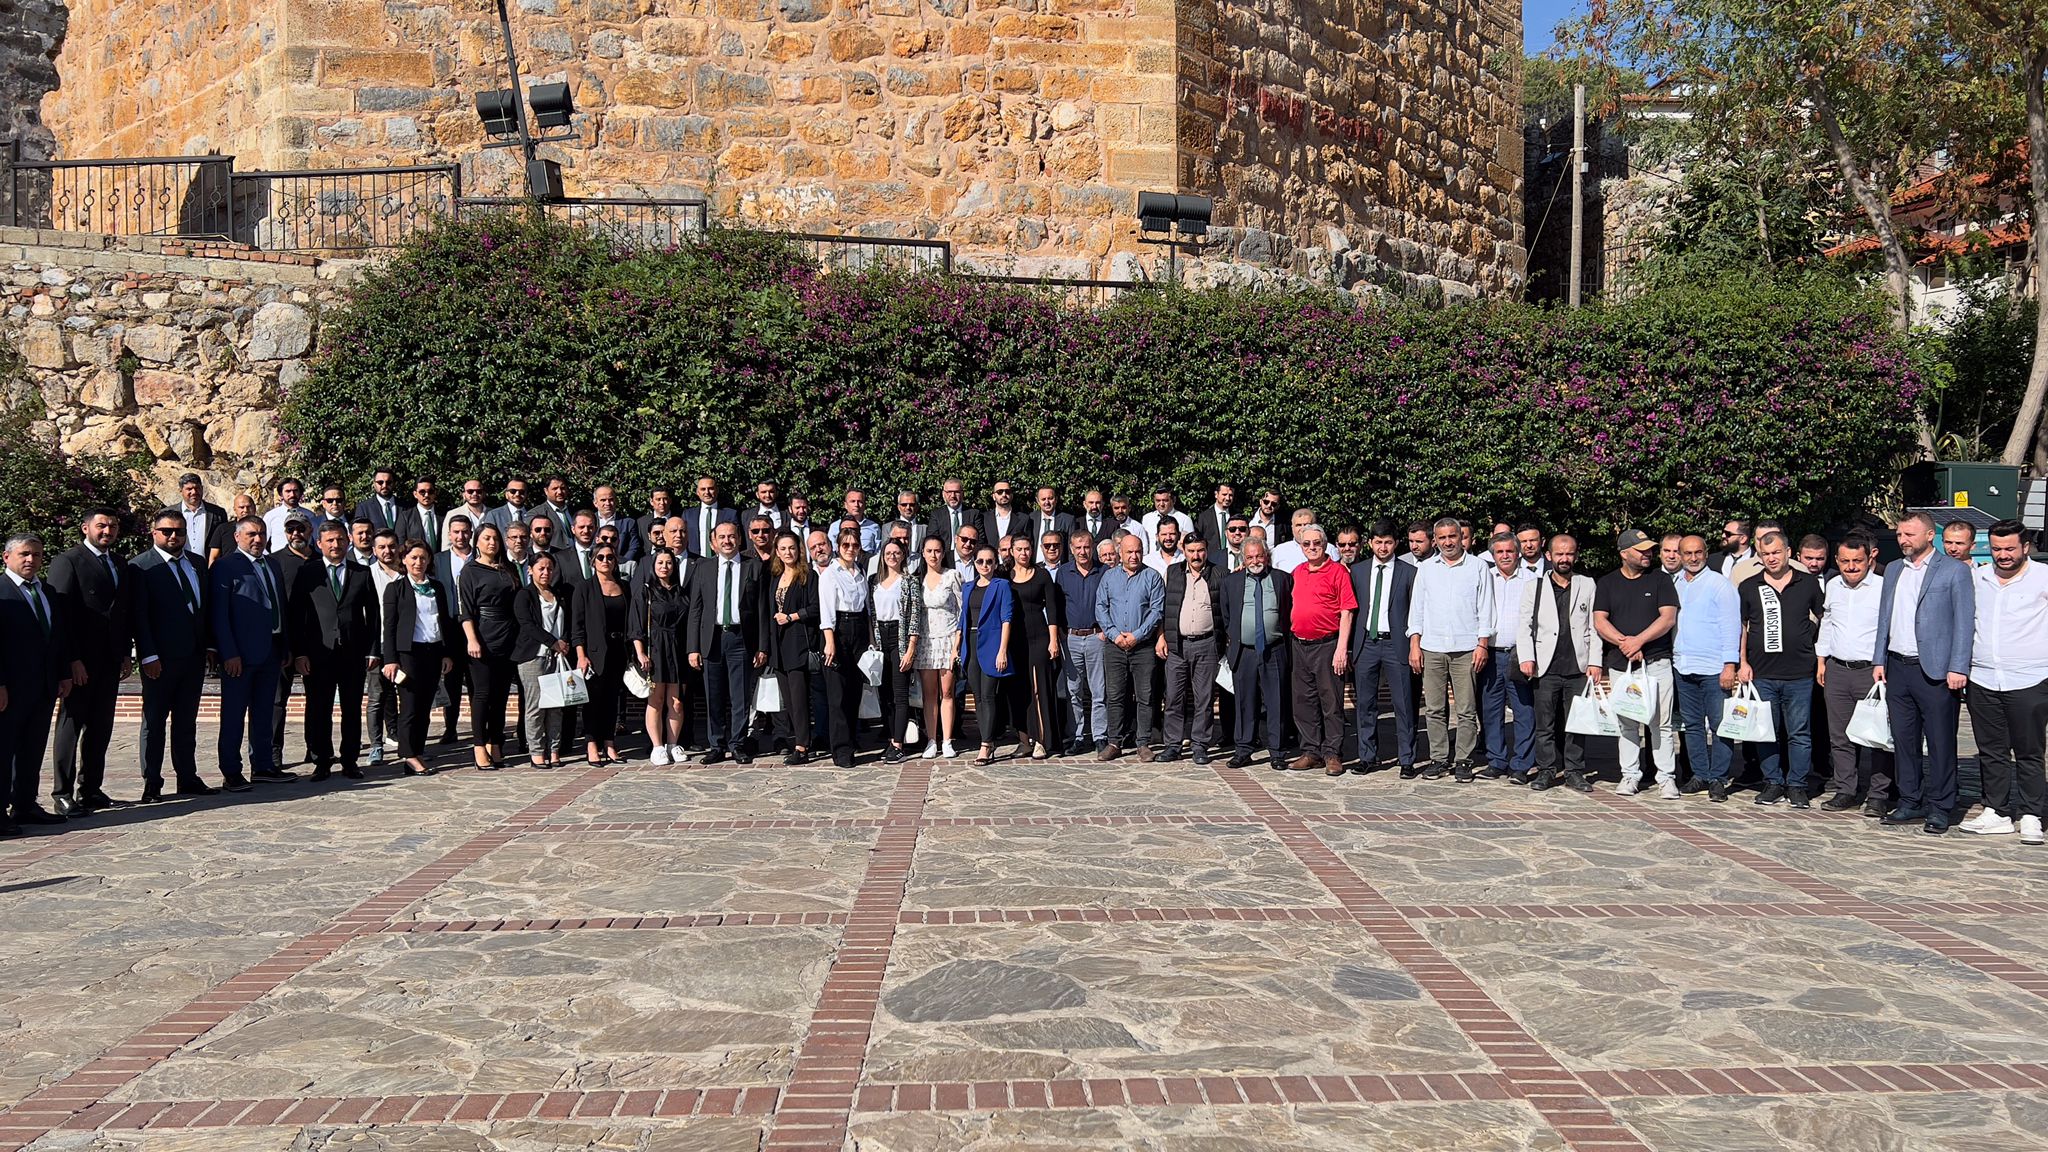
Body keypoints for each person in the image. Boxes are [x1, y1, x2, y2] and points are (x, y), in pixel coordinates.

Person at [1874, 511, 1977, 834]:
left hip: (1935, 670)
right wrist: (1879, 659)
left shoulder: (1954, 571)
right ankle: (1909, 800)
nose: (1903, 540)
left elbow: (1964, 621)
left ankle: (1941, 806)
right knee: (1904, 740)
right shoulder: (1894, 569)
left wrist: (1958, 666)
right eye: (1900, 534)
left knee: (1940, 741)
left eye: (1910, 534)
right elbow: (1885, 617)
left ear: (1930, 535)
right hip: (1897, 666)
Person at [1960, 519, 2048, 843]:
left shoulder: (2043, 577)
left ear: (2025, 546)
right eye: (1997, 549)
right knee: (1991, 750)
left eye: (2010, 548)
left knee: (2029, 751)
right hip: (1983, 678)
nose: (2003, 555)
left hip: (2030, 679)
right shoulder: (1979, 578)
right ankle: (1996, 811)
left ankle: (2031, 814)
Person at [47, 507, 133, 815]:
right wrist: (71, 659)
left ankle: (91, 789)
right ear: (86, 528)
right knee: (71, 726)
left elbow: (122, 613)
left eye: (112, 526)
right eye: (101, 526)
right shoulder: (68, 561)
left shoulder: (120, 563)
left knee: (101, 727)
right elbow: (61, 616)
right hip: (81, 661)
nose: (107, 531)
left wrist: (125, 653)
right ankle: (62, 792)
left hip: (109, 660)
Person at [1737, 531, 1824, 808]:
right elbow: (1742, 627)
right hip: (1762, 673)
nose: (1771, 558)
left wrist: (1816, 653)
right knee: (1766, 732)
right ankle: (1773, 782)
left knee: (1800, 733)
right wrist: (1742, 662)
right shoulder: (1749, 586)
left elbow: (1824, 618)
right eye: (1766, 554)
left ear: (1788, 552)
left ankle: (1797, 785)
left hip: (1800, 673)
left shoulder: (1808, 583)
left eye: (1776, 552)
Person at [132, 509, 213, 800]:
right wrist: (148, 655)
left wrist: (210, 646)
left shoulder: (197, 563)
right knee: (154, 722)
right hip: (160, 659)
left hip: (193, 656)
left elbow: (205, 609)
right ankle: (152, 782)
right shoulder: (141, 567)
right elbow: (139, 616)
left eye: (179, 531)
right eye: (167, 531)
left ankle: (187, 777)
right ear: (154, 533)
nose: (173, 536)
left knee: (186, 721)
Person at [290, 521, 379, 782]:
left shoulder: (361, 572)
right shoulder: (308, 572)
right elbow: (296, 614)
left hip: (353, 652)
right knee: (319, 709)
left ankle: (350, 760)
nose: (335, 545)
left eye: (340, 539)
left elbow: (374, 616)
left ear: (348, 541)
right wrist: (300, 653)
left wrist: (373, 650)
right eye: (329, 540)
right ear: (319, 544)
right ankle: (322, 761)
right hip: (319, 653)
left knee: (351, 709)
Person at [1595, 529, 1681, 798]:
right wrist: (1625, 643)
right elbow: (1599, 620)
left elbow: (1668, 618)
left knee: (1661, 723)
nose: (1648, 554)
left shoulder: (1661, 580)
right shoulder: (1607, 583)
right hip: (1621, 665)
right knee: (1627, 722)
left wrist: (1639, 641)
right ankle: (1630, 775)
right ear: (1624, 553)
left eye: (1650, 549)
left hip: (1657, 662)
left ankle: (1666, 778)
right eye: (1641, 550)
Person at [1407, 517, 1493, 781]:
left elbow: (1486, 608)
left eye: (1452, 536)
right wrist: (1414, 645)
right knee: (1434, 709)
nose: (1447, 542)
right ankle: (1439, 758)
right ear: (1435, 540)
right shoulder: (1426, 569)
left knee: (1466, 709)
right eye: (1442, 537)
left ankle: (1463, 760)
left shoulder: (1478, 567)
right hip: (1432, 647)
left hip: (1466, 648)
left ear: (1461, 537)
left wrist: (1482, 644)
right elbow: (1417, 610)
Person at [1, 534, 77, 831]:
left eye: (36, 554)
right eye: (24, 554)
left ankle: (25, 805)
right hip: (10, 688)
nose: (31, 560)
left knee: (31, 749)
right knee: (4, 750)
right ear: (7, 557)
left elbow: (57, 636)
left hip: (42, 686)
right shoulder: (2, 591)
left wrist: (63, 673)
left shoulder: (45, 591)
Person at [1517, 534, 1600, 792]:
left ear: (1576, 555)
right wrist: (1527, 657)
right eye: (1559, 554)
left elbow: (1595, 626)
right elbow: (1524, 625)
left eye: (1569, 554)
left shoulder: (1587, 584)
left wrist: (1595, 661)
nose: (1565, 559)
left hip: (1578, 666)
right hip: (1545, 666)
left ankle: (1574, 771)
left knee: (1576, 723)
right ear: (1549, 555)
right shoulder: (1535, 587)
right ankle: (1546, 770)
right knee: (1545, 724)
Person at [1815, 534, 1891, 815]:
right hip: (1837, 669)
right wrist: (1821, 661)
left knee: (1877, 736)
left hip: (1871, 671)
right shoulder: (1833, 586)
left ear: (1870, 559)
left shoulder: (1883, 587)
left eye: (1857, 561)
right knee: (1840, 736)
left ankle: (1878, 794)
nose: (1851, 567)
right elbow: (1828, 624)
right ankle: (1846, 789)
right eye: (1845, 561)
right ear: (1837, 560)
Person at [212, 516, 289, 790]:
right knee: (234, 715)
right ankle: (231, 770)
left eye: (262, 534)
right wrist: (228, 653)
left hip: (271, 650)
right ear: (237, 537)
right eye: (251, 534)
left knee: (264, 712)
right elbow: (219, 615)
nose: (258, 539)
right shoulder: (225, 567)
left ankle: (263, 765)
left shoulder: (273, 564)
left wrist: (284, 646)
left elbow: (280, 605)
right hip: (240, 656)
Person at [1672, 534, 1741, 802]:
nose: (1693, 558)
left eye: (1698, 552)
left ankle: (1718, 778)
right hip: (1683, 665)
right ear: (1680, 555)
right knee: (1692, 725)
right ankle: (1700, 774)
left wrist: (1729, 665)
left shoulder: (1720, 584)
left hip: (1714, 667)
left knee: (1719, 725)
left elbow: (1731, 626)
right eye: (1687, 553)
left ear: (1706, 553)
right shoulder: (1675, 584)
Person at [688, 521, 764, 765]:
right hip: (712, 639)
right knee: (714, 696)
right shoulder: (703, 568)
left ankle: (738, 744)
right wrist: (693, 647)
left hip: (741, 638)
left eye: (731, 536)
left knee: (740, 697)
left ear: (739, 540)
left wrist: (762, 645)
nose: (727, 541)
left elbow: (762, 610)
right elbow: (696, 609)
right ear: (713, 543)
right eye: (721, 537)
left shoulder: (754, 567)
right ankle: (716, 745)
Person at [1348, 519, 1417, 776]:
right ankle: (1367, 756)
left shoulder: (1409, 573)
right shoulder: (1358, 571)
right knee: (1365, 704)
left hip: (1396, 644)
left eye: (1388, 542)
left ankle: (1407, 759)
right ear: (1370, 543)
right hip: (1366, 642)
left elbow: (1415, 611)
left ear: (1396, 543)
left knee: (1403, 704)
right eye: (1378, 542)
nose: (1383, 547)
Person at [381, 541, 455, 777]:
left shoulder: (437, 587)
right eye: (413, 558)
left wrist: (446, 653)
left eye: (423, 558)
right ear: (404, 560)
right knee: (410, 706)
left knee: (425, 707)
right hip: (408, 653)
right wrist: (390, 659)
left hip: (433, 651)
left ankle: (418, 750)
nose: (418, 562)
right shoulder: (396, 589)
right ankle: (408, 754)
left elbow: (444, 621)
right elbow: (389, 627)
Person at [1289, 524, 1356, 774]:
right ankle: (1311, 751)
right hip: (1299, 645)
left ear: (1325, 545)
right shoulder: (1297, 572)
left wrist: (1341, 649)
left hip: (1327, 645)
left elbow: (1347, 612)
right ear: (1301, 547)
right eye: (1306, 544)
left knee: (1331, 702)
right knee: (1303, 702)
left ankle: (1332, 753)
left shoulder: (1338, 572)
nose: (1312, 547)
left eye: (1317, 543)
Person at [456, 523, 521, 771]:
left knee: (501, 695)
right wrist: (471, 639)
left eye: (495, 538)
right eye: (486, 538)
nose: (492, 542)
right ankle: (479, 746)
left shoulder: (509, 568)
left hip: (508, 636)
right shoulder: (470, 571)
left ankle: (496, 742)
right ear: (477, 542)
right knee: (482, 695)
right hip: (483, 635)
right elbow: (466, 609)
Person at [1222, 536, 1291, 768]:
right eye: (1250, 557)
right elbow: (1227, 616)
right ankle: (1243, 749)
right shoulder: (1231, 582)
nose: (1255, 561)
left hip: (1275, 649)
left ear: (1267, 556)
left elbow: (1288, 611)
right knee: (1244, 702)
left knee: (1276, 702)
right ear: (1243, 558)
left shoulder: (1282, 579)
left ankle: (1277, 751)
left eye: (1259, 556)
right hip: (1245, 651)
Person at [1095, 533, 1164, 761]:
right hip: (1115, 647)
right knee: (1115, 695)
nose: (1134, 556)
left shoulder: (1152, 577)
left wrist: (1137, 635)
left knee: (1145, 695)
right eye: (1129, 552)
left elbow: (1157, 611)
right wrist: (1115, 635)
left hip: (1143, 646)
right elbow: (1101, 608)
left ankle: (1143, 743)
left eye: (1138, 551)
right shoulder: (1108, 577)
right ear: (1120, 553)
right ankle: (1114, 742)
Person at [1159, 533, 1223, 764]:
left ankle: (1200, 745)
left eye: (1200, 550)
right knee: (1173, 697)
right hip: (1177, 644)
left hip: (1207, 644)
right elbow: (1163, 607)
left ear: (1207, 550)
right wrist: (1161, 637)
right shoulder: (1173, 573)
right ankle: (1172, 745)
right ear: (1184, 551)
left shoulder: (1219, 573)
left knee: (1204, 699)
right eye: (1191, 551)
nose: (1196, 556)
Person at [1475, 532, 1534, 782]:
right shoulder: (1485, 578)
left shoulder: (1533, 580)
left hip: (1520, 654)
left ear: (1518, 552)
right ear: (1493, 555)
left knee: (1524, 710)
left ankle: (1521, 764)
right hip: (1491, 654)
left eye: (1510, 551)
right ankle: (1496, 761)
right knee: (1491, 710)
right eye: (1500, 552)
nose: (1505, 556)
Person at [511, 551, 574, 769]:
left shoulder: (559, 594)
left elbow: (566, 622)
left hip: (557, 658)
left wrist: (563, 643)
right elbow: (527, 625)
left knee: (556, 706)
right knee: (536, 706)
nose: (546, 572)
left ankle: (554, 750)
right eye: (541, 568)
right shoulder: (524, 595)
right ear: (530, 570)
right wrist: (552, 642)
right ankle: (536, 752)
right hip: (533, 657)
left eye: (549, 568)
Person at [763, 531, 822, 765]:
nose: (788, 552)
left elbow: (816, 608)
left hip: (798, 643)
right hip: (779, 646)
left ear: (799, 550)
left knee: (799, 699)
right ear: (777, 552)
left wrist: (791, 617)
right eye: (783, 549)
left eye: (792, 548)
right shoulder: (775, 577)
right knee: (788, 700)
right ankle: (799, 739)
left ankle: (802, 746)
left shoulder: (808, 576)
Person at [1005, 532, 1064, 758]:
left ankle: (1042, 739)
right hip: (1014, 640)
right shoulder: (1005, 575)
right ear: (1012, 551)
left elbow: (1052, 609)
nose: (1023, 553)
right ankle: (1024, 740)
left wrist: (1053, 640)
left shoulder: (1042, 575)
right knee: (1019, 690)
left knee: (1040, 688)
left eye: (1027, 549)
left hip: (1039, 637)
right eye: (1019, 549)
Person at [631, 548, 692, 765]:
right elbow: (636, 625)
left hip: (677, 648)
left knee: (676, 702)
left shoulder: (681, 592)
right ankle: (657, 747)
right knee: (656, 700)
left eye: (668, 563)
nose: (664, 567)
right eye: (660, 563)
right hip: (655, 648)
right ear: (653, 566)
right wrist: (640, 653)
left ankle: (673, 745)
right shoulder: (646, 592)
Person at [818, 528, 873, 768]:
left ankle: (851, 739)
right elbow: (827, 611)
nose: (850, 549)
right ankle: (841, 749)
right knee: (838, 694)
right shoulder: (830, 573)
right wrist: (830, 641)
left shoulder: (860, 572)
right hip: (838, 630)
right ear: (838, 547)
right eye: (846, 545)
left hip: (859, 629)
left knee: (854, 691)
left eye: (854, 545)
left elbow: (866, 609)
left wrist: (870, 638)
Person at [572, 544, 631, 765]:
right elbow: (577, 626)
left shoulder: (624, 586)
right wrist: (581, 655)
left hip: (618, 651)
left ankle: (609, 742)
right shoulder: (585, 588)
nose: (605, 561)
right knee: (593, 701)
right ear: (593, 561)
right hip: (594, 652)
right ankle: (591, 744)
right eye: (600, 557)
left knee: (612, 700)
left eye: (610, 557)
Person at [267, 511, 316, 771]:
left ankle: (316, 748)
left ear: (310, 530)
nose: (296, 533)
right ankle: (274, 752)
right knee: (277, 701)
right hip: (283, 641)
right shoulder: (274, 562)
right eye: (290, 529)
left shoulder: (320, 560)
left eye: (301, 528)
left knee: (317, 699)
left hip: (316, 642)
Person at [907, 535, 964, 758]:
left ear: (943, 552)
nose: (933, 555)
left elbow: (961, 611)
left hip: (947, 640)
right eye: (929, 550)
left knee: (947, 692)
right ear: (923, 553)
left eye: (937, 550)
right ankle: (931, 740)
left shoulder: (952, 576)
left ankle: (947, 740)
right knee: (929, 694)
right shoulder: (916, 580)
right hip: (925, 642)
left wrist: (957, 644)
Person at [1056, 530, 1108, 754]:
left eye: (1086, 547)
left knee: (1099, 690)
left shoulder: (1104, 571)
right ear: (1071, 549)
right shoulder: (1063, 572)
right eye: (1078, 547)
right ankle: (1077, 736)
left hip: (1097, 636)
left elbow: (1110, 602)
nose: (1082, 551)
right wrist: (1060, 632)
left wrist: (1105, 631)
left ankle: (1100, 736)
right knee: (1073, 690)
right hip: (1071, 638)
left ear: (1092, 547)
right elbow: (1058, 604)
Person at [964, 542, 1016, 764]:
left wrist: (1002, 650)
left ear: (995, 564)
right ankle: (987, 739)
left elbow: (1007, 619)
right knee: (977, 696)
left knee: (988, 695)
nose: (984, 565)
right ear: (974, 563)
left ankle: (986, 743)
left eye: (989, 561)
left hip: (993, 644)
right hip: (971, 643)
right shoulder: (968, 587)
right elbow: (963, 619)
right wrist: (957, 648)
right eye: (980, 561)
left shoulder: (1001, 585)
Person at [870, 538, 916, 762]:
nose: (892, 556)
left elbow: (915, 616)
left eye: (897, 552)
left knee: (900, 693)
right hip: (880, 638)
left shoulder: (909, 581)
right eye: (888, 552)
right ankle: (890, 740)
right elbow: (870, 613)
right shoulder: (874, 581)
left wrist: (911, 648)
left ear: (903, 555)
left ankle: (899, 743)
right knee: (885, 694)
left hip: (900, 637)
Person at [362, 530, 404, 765]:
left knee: (408, 697)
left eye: (391, 546)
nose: (387, 551)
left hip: (406, 644)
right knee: (377, 697)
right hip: (378, 643)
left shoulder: (408, 573)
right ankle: (376, 746)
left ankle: (408, 743)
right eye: (382, 547)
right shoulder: (367, 575)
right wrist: (370, 649)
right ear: (374, 550)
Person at [433, 514, 475, 742]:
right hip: (449, 627)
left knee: (477, 680)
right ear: (449, 534)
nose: (461, 536)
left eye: (465, 531)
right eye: (456, 532)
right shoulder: (438, 560)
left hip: (476, 627)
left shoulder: (479, 556)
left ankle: (480, 727)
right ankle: (450, 728)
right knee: (452, 681)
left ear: (471, 533)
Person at [176, 474, 226, 561]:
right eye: (189, 489)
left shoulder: (217, 513)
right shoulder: (169, 513)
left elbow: (224, 541)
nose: (194, 492)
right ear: (180, 490)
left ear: (202, 488)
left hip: (208, 565)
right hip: (178, 564)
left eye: (197, 488)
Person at [687, 475, 739, 557]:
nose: (707, 492)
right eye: (703, 489)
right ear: (697, 492)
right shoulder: (688, 515)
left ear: (717, 490)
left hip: (722, 559)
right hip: (695, 561)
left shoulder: (730, 514)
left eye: (710, 488)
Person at [929, 478, 978, 553]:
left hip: (968, 555)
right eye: (949, 492)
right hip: (944, 556)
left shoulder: (973, 514)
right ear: (943, 494)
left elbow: (980, 540)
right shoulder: (936, 515)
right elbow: (932, 540)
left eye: (956, 492)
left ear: (962, 494)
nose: (953, 496)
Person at [207, 492, 256, 566]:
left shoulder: (261, 529)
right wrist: (212, 572)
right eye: (241, 507)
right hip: (228, 570)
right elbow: (213, 557)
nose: (246, 510)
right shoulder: (223, 529)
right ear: (235, 509)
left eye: (249, 507)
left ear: (254, 508)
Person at [397, 477, 442, 553]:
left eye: (430, 491)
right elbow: (400, 543)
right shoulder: (405, 517)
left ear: (435, 493)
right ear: (415, 494)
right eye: (422, 492)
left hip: (441, 558)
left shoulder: (444, 514)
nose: (426, 495)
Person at [261, 477, 308, 548]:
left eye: (295, 491)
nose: (292, 494)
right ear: (281, 494)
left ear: (300, 493)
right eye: (288, 491)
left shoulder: (309, 515)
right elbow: (262, 541)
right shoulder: (271, 516)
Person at [354, 467, 400, 532]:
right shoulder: (364, 508)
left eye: (388, 482)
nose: (384, 485)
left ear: (394, 483)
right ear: (374, 484)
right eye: (380, 482)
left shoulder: (406, 506)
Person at [1194, 482, 1236, 549]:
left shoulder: (1236, 516)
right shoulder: (1204, 517)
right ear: (1216, 494)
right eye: (1224, 494)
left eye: (1230, 495)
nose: (1228, 498)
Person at [986, 482, 1028, 547]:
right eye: (1000, 492)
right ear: (994, 496)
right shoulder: (984, 518)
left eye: (1007, 492)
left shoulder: (1023, 519)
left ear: (1012, 495)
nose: (1004, 495)